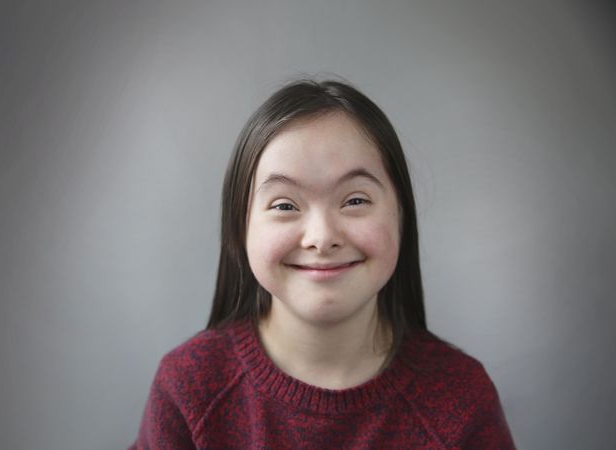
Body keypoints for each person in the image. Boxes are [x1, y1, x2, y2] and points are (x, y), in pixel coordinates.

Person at [129, 79, 516, 449]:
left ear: (401, 216)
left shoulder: (460, 397)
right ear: (240, 228)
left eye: (355, 200)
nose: (322, 236)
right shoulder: (189, 388)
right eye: (284, 205)